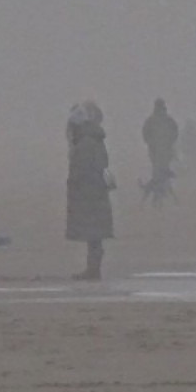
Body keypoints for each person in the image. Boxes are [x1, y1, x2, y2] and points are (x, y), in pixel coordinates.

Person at [66, 102, 114, 281]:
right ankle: (93, 269)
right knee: (95, 236)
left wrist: (76, 185)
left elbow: (84, 170)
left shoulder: (85, 143)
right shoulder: (93, 139)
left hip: (90, 195)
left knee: (94, 235)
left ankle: (93, 270)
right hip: (96, 194)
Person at [141, 98, 178, 190]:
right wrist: (170, 142)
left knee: (157, 171)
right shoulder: (169, 120)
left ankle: (157, 189)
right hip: (165, 150)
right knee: (164, 170)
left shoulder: (150, 120)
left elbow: (145, 134)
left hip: (155, 150)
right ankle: (164, 189)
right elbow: (175, 132)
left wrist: (150, 143)